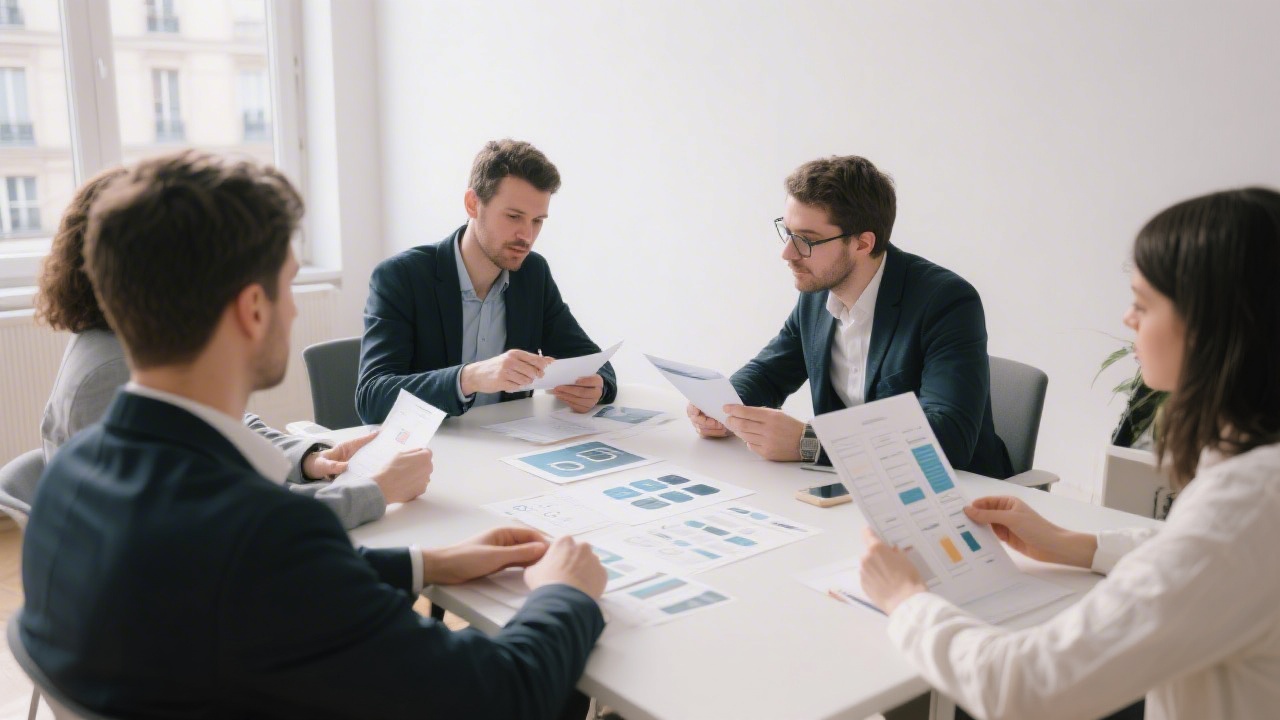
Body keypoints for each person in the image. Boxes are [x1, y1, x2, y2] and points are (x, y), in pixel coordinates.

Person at [19, 151, 608, 719]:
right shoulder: (264, 531)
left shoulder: (73, 474)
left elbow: (274, 585)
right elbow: (500, 696)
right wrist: (566, 594)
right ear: (253, 309)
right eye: (290, 285)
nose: (294, 313)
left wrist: (428, 563)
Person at [859, 188, 1280, 720]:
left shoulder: (1251, 500)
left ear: (1216, 329)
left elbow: (1025, 688)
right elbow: (1197, 556)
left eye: (1144, 303)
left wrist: (905, 600)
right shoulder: (1256, 472)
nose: (1128, 319)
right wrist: (1072, 543)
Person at [33, 168, 424, 530]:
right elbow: (233, 529)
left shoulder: (135, 343)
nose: (288, 309)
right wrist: (373, 493)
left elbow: (226, 430)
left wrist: (308, 457)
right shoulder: (112, 374)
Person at [687, 155, 1013, 479]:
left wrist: (810, 443)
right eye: (787, 232)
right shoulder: (817, 293)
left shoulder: (945, 302)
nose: (787, 253)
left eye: (807, 240)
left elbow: (949, 436)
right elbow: (769, 374)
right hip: (859, 485)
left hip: (955, 491)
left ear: (862, 243)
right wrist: (721, 408)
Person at [357, 139, 618, 421]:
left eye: (537, 221)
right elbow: (372, 398)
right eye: (514, 216)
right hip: (431, 451)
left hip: (507, 450)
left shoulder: (533, 274)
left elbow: (590, 358)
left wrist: (598, 386)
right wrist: (470, 378)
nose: (526, 236)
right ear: (473, 204)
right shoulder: (401, 277)